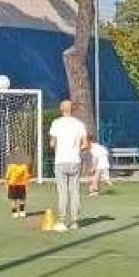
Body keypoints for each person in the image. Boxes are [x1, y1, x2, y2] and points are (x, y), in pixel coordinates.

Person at [48, 99, 87, 231]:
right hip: (75, 161)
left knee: (62, 191)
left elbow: (52, 143)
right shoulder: (79, 124)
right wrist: (76, 150)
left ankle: (62, 220)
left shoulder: (56, 123)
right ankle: (75, 221)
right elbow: (85, 144)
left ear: (61, 109)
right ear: (72, 109)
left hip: (61, 161)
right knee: (74, 191)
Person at [5, 150, 32, 219]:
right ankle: (20, 212)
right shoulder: (23, 166)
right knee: (20, 199)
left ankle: (16, 212)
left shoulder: (12, 166)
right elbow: (26, 177)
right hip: (19, 185)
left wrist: (6, 184)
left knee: (15, 199)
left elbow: (7, 176)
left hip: (15, 185)